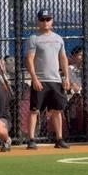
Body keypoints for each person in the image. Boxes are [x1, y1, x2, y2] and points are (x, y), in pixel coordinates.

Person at [26, 9, 70, 149]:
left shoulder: (58, 38)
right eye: (42, 20)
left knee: (56, 110)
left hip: (55, 80)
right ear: (38, 21)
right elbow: (30, 60)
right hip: (40, 80)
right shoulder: (34, 38)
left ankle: (59, 139)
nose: (45, 22)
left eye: (48, 19)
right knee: (35, 110)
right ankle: (31, 140)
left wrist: (66, 77)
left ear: (52, 21)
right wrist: (34, 79)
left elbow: (63, 59)